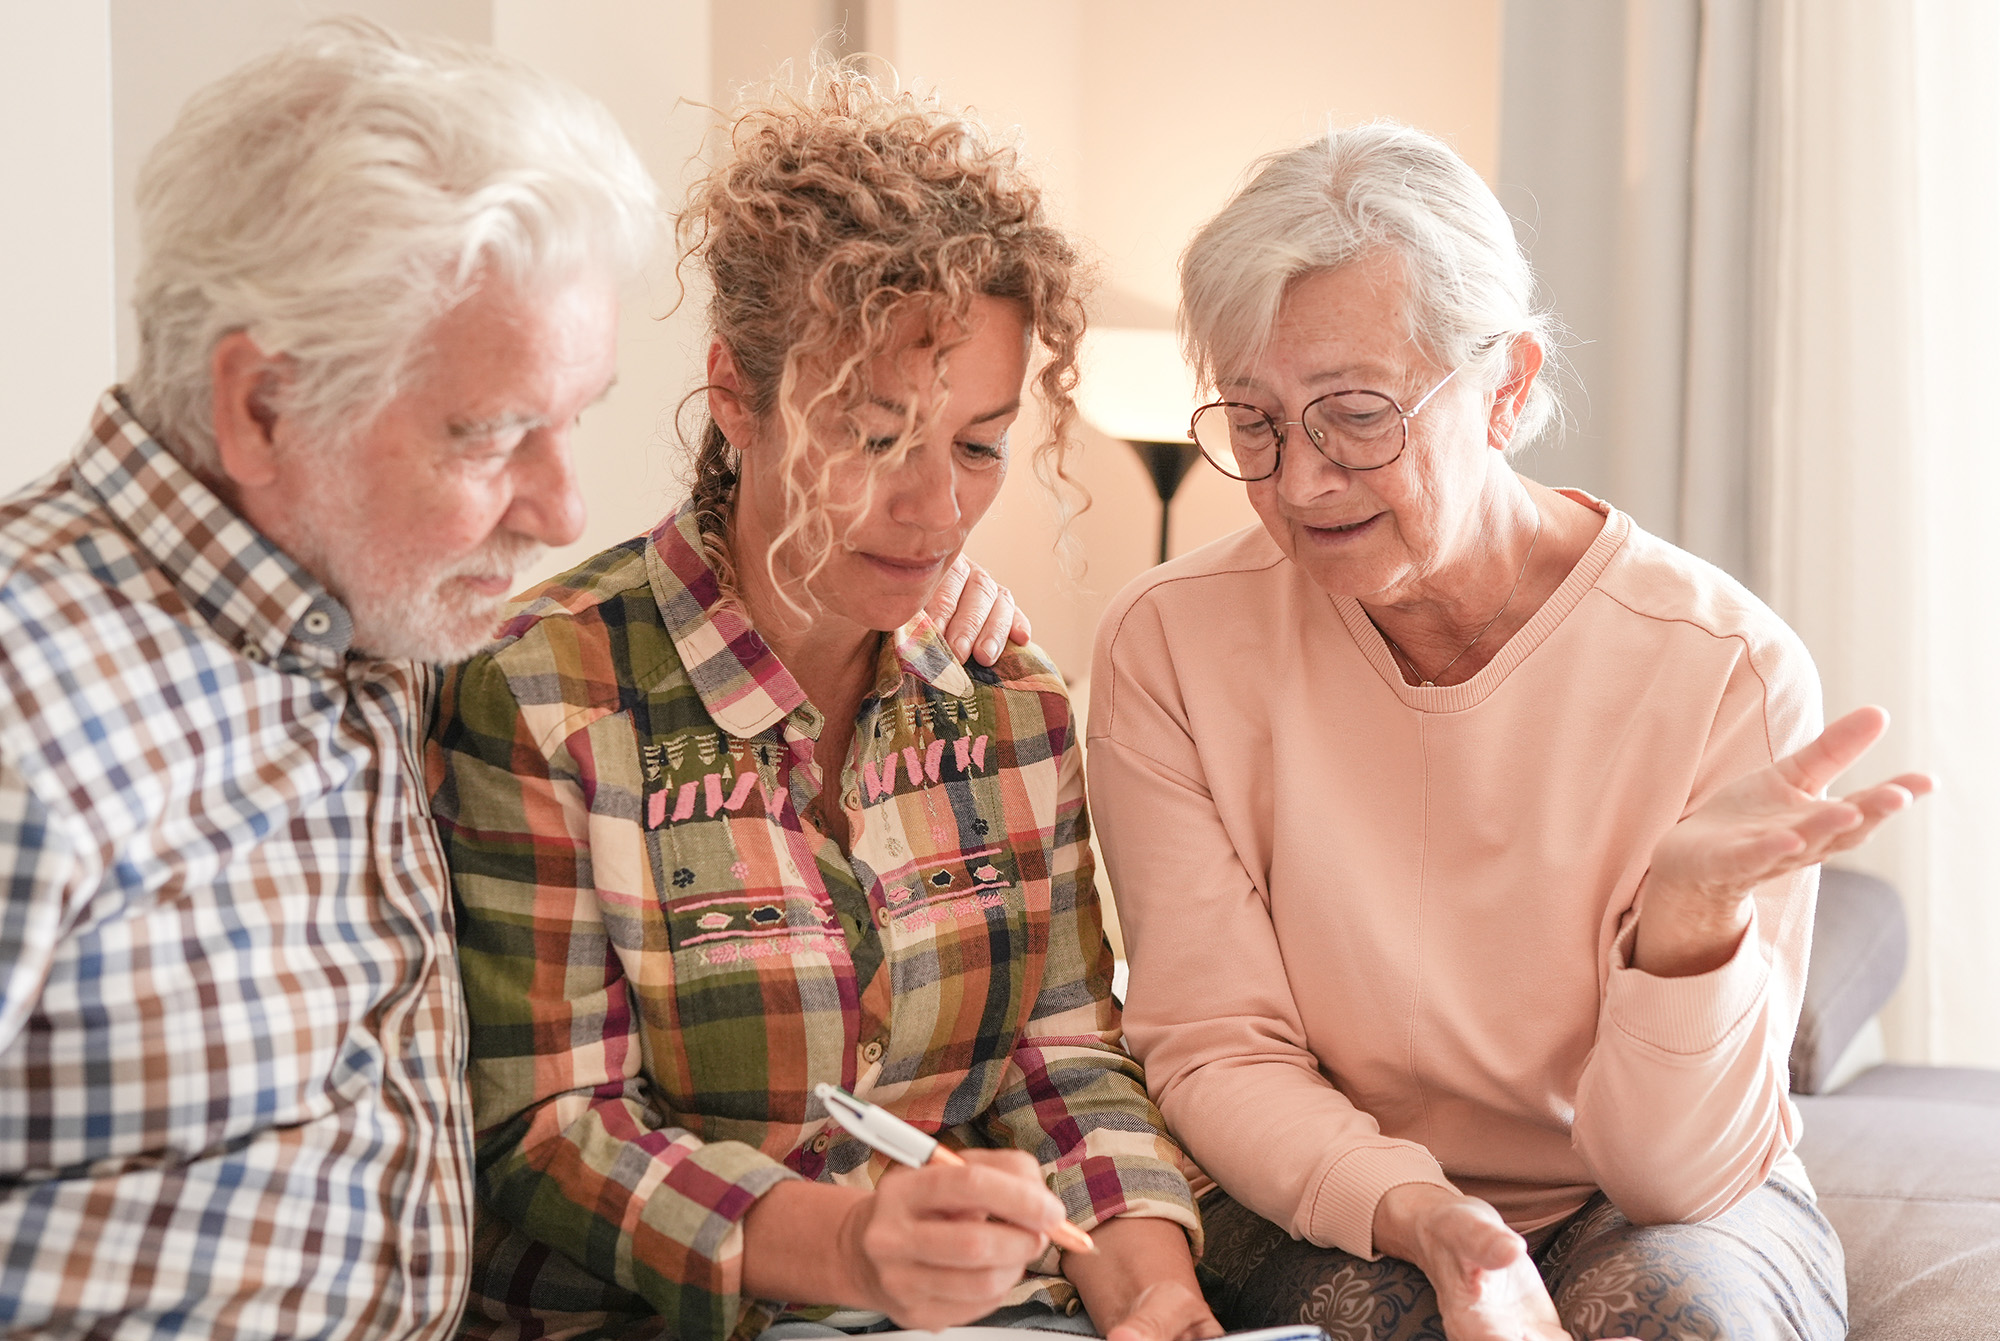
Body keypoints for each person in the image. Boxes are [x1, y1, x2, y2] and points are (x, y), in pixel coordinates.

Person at [1086, 122, 1932, 1341]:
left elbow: (1674, 1180)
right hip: (1321, 1186)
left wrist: (1687, 929)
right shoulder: (1166, 643)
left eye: (1356, 415)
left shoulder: (1718, 667)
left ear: (1509, 386)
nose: (1300, 483)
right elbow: (1218, 1049)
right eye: (1255, 423)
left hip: (1639, 1201)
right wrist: (1424, 1215)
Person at [427, 67, 1217, 1341]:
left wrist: (1153, 1291)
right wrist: (850, 1249)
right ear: (735, 394)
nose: (936, 509)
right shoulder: (546, 693)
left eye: (976, 445)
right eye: (872, 435)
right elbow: (554, 1132)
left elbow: (1059, 1057)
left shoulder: (1009, 701)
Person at [0, 21, 658, 1337]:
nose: (565, 502)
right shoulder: (29, 704)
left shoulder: (377, 615)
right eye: (492, 436)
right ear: (259, 408)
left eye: (573, 416)